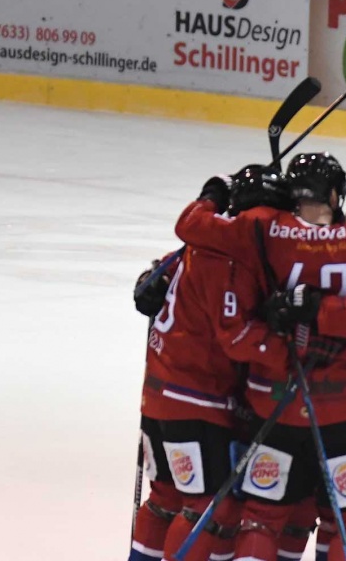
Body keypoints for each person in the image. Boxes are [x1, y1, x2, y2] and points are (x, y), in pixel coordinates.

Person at [173, 153, 346, 560]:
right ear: (337, 194)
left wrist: (220, 189)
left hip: (274, 398)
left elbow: (190, 226)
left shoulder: (263, 228)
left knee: (261, 520)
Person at [128, 164, 294, 561]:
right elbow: (236, 337)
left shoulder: (191, 247)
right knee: (209, 509)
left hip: (159, 395)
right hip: (196, 400)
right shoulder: (230, 258)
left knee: (166, 497)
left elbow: (148, 290)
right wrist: (288, 350)